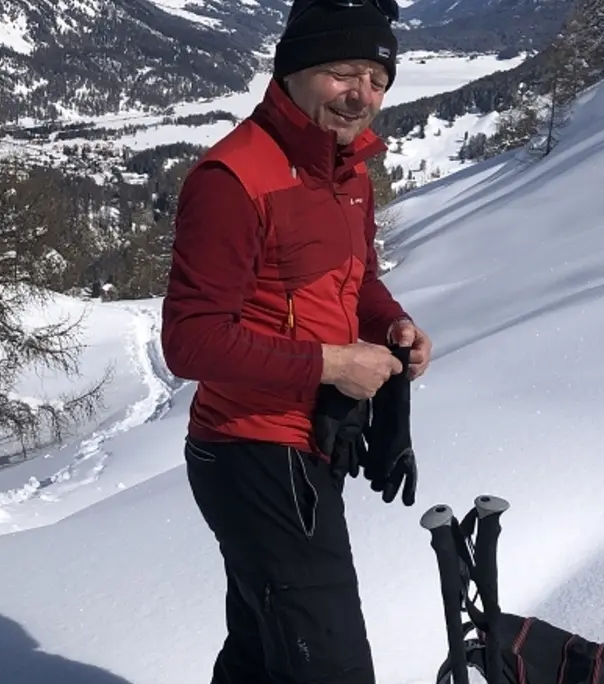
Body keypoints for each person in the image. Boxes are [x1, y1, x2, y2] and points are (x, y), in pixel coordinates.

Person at [159, 0, 433, 682]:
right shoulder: (234, 179)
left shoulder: (346, 175)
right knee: (328, 664)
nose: (360, 95)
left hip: (310, 445)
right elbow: (191, 343)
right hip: (250, 450)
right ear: (293, 73)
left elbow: (356, 281)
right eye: (342, 71)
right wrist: (334, 363)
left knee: (264, 645)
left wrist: (391, 325)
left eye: (377, 77)